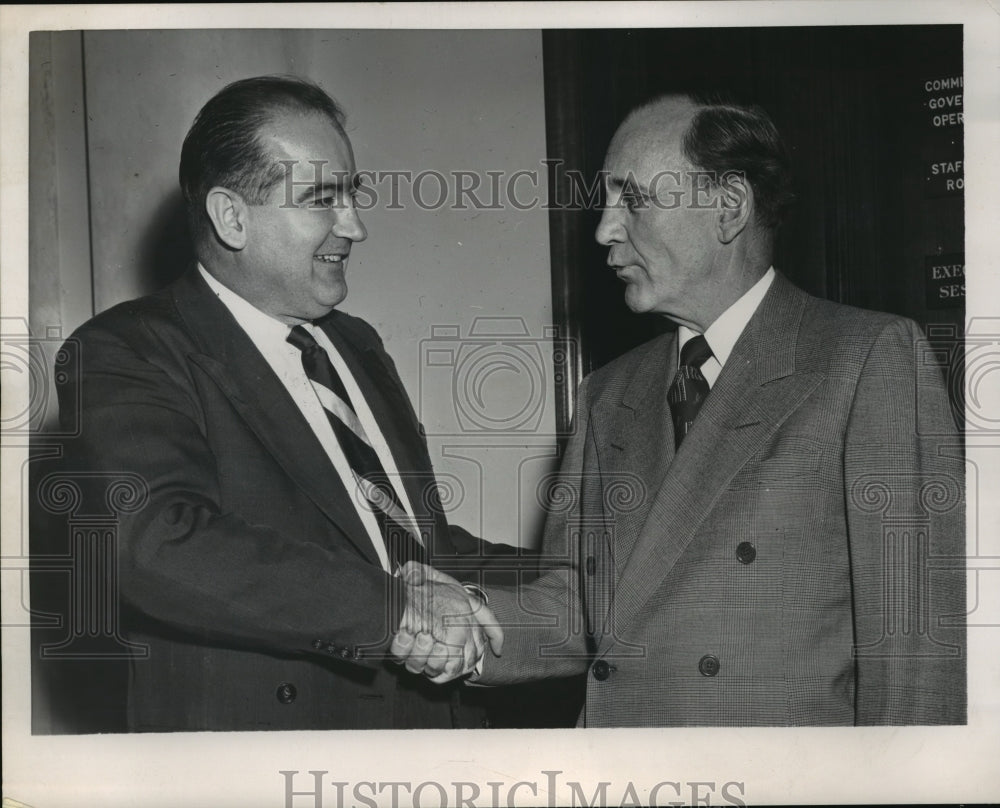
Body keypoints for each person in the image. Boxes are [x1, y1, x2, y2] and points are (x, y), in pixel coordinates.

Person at [392, 94, 967, 727]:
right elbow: (583, 608)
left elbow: (913, 649)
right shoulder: (608, 392)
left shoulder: (866, 360)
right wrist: (474, 617)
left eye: (633, 199)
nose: (605, 229)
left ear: (728, 208)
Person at [55, 74, 505, 731]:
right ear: (232, 216)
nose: (355, 225)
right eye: (324, 198)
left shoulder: (356, 345)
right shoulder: (128, 351)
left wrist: (574, 579)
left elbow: (410, 543)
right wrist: (394, 613)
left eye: (352, 194)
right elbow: (156, 545)